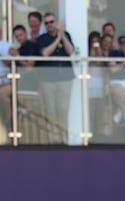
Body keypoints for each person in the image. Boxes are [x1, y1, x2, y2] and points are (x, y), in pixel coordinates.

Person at [37, 13, 75, 143]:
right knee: (51, 109)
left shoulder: (66, 35)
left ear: (56, 22)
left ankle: (64, 138)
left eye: (51, 22)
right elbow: (45, 54)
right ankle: (53, 139)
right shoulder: (42, 38)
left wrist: (62, 36)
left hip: (65, 78)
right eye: (46, 23)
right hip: (48, 80)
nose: (49, 25)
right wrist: (58, 39)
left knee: (63, 109)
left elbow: (70, 51)